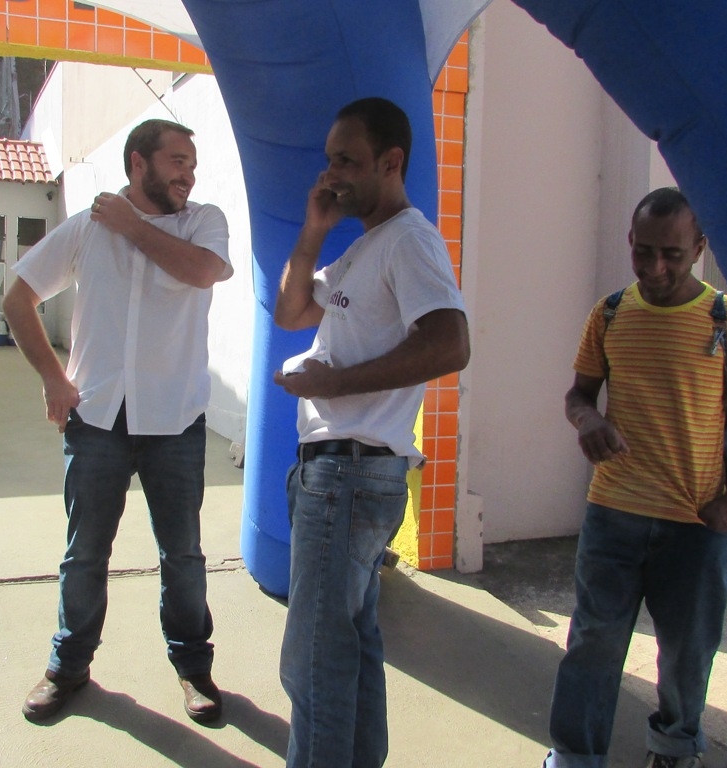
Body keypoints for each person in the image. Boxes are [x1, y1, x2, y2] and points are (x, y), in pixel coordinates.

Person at [4, 118, 232, 725]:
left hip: (174, 421)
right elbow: (17, 297)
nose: (188, 174)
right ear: (139, 163)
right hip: (97, 418)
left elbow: (203, 272)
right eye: (177, 161)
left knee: (182, 554)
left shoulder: (203, 222)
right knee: (84, 554)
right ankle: (68, 667)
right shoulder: (88, 228)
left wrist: (132, 226)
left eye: (192, 164)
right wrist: (53, 377)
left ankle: (194, 668)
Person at [271, 96, 471, 768]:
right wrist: (313, 229)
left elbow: (450, 343)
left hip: (349, 475)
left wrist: (334, 384)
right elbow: (292, 311)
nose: (333, 174)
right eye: (330, 160)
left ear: (392, 162)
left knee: (313, 663)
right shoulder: (366, 247)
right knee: (348, 646)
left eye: (348, 161)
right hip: (342, 475)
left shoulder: (410, 240)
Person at [544, 187, 727, 768]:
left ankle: (673, 748)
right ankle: (575, 754)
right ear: (631, 242)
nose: (656, 267)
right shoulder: (611, 313)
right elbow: (578, 394)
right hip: (613, 514)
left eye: (672, 254)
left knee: (687, 652)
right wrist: (588, 419)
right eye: (643, 252)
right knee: (593, 641)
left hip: (696, 522)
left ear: (699, 247)